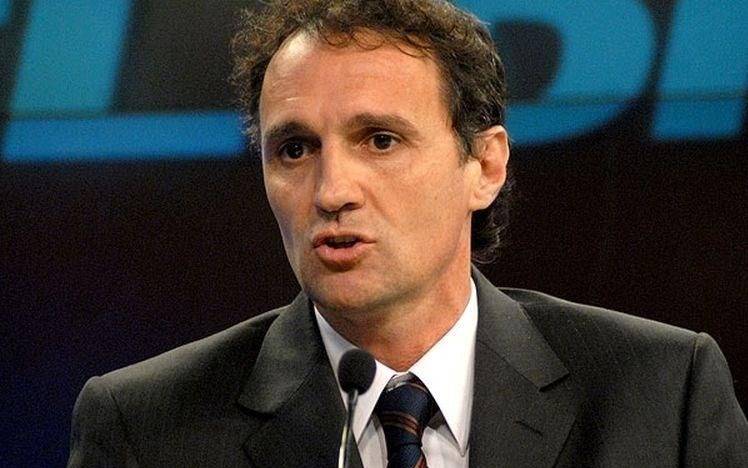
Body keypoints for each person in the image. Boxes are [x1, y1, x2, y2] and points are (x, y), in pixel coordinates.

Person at [68, 0, 747, 466]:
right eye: (295, 149)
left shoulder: (662, 396)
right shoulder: (146, 430)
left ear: (484, 166)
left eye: (380, 140)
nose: (331, 192)